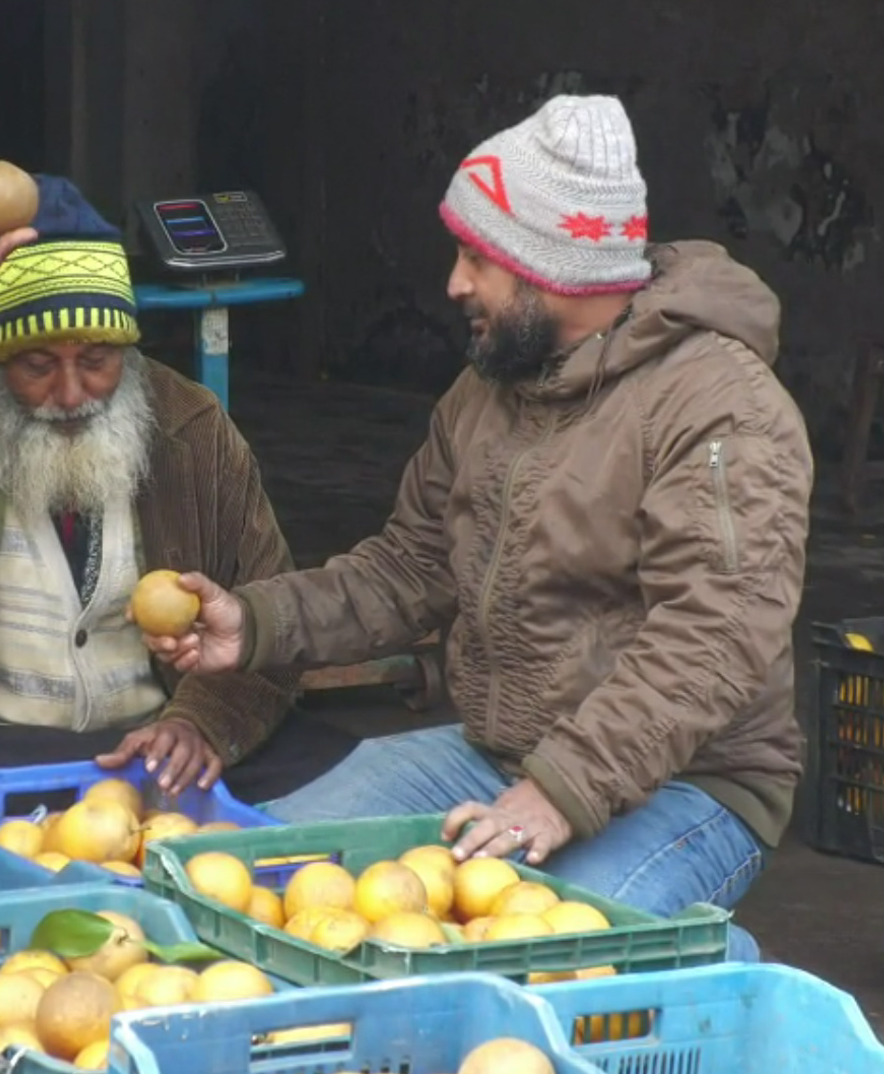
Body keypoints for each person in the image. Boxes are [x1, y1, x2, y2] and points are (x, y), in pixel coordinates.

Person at [146, 95, 813, 956]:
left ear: (551, 267)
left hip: (689, 788)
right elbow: (412, 565)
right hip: (493, 754)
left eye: (475, 258)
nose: (455, 284)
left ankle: (709, 974)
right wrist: (261, 621)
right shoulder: (494, 387)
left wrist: (560, 790)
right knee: (244, 887)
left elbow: (713, 636)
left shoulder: (720, 407)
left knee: (537, 959)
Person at [0, 156, 355, 800]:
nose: (71, 392)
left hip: (151, 737)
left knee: (329, 798)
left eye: (96, 360)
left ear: (127, 348)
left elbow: (269, 617)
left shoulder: (191, 426)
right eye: (35, 364)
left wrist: (199, 722)